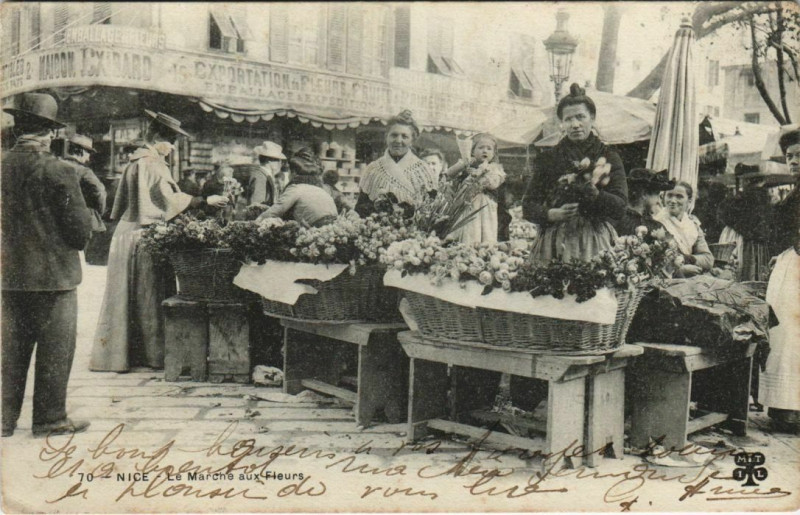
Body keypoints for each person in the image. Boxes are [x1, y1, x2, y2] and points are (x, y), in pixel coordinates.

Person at [91, 110, 228, 372]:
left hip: (127, 232)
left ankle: (125, 354)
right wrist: (203, 201)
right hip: (141, 233)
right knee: (147, 292)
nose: (173, 148)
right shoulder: (151, 162)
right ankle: (151, 355)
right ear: (158, 138)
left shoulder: (137, 160)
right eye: (172, 141)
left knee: (127, 295)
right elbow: (165, 199)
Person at [2, 93, 93, 437]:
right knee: (56, 348)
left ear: (18, 127)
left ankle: (3, 420)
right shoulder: (60, 170)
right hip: (55, 277)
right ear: (50, 133)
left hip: (8, 274)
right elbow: (80, 231)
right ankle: (49, 419)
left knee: (9, 349)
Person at [523, 83, 628, 262]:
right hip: (554, 242)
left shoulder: (609, 156)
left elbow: (620, 207)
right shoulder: (549, 158)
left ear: (592, 118)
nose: (575, 125)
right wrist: (551, 214)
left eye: (581, 117)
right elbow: (528, 206)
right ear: (562, 123)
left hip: (594, 241)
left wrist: (596, 195)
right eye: (568, 119)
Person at [760, 129, 800, 433]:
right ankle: (786, 407)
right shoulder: (795, 190)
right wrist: (784, 251)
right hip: (791, 265)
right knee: (783, 332)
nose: (795, 161)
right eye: (790, 157)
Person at [355, 110, 437, 217]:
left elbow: (430, 212)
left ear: (412, 140)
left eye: (404, 136)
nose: (398, 140)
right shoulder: (373, 169)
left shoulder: (424, 170)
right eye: (394, 135)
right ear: (386, 137)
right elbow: (360, 210)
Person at [446, 133, 509, 245]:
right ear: (472, 151)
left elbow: (492, 183)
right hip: (466, 205)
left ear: (494, 153)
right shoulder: (468, 165)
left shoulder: (494, 168)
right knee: (467, 230)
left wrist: (479, 174)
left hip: (484, 206)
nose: (485, 151)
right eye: (480, 148)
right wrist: (464, 164)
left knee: (484, 232)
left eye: (489, 149)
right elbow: (449, 174)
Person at [256, 148, 338, 227]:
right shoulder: (319, 189)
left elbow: (276, 210)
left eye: (289, 172)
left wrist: (255, 222)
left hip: (316, 227)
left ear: (293, 173)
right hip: (335, 225)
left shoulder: (295, 188)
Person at [654, 181, 714, 277]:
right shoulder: (656, 224)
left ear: (689, 201)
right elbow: (654, 264)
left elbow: (708, 259)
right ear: (663, 198)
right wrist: (679, 271)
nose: (673, 201)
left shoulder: (693, 225)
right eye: (669, 195)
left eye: (679, 196)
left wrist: (686, 259)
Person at [61, 133, 107, 234]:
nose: (89, 158)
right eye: (88, 153)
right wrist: (98, 212)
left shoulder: (55, 165)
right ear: (81, 151)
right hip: (80, 220)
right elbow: (100, 192)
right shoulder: (84, 172)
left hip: (57, 219)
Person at [614, 168, 673, 236]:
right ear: (644, 194)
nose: (658, 201)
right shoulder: (655, 228)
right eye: (657, 194)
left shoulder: (615, 219)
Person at [252, 140, 286, 206]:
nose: (280, 163)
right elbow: (257, 205)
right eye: (278, 160)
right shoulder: (260, 177)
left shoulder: (264, 175)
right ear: (269, 160)